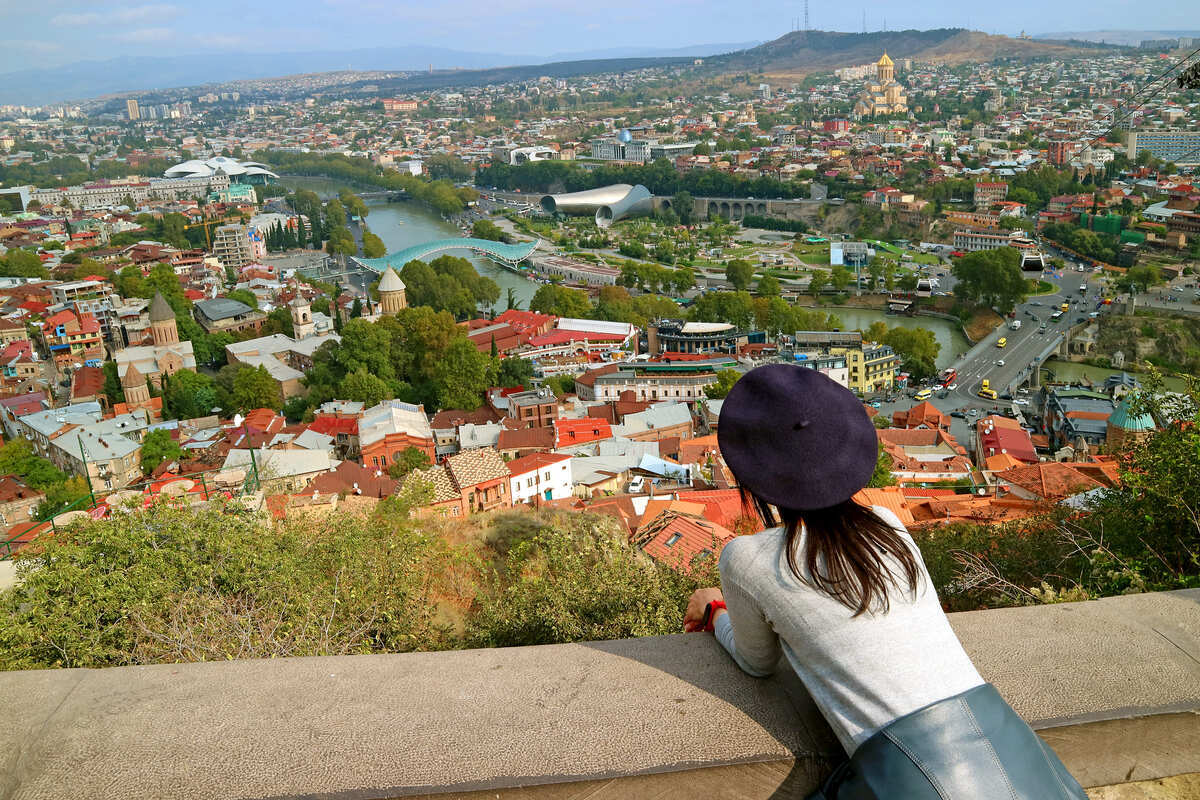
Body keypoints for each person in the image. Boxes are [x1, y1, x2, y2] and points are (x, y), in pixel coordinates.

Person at [683, 364, 1087, 800]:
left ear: (754, 477)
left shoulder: (747, 557)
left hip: (913, 776)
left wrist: (715, 609)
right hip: (1007, 748)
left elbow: (756, 662)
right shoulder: (887, 523)